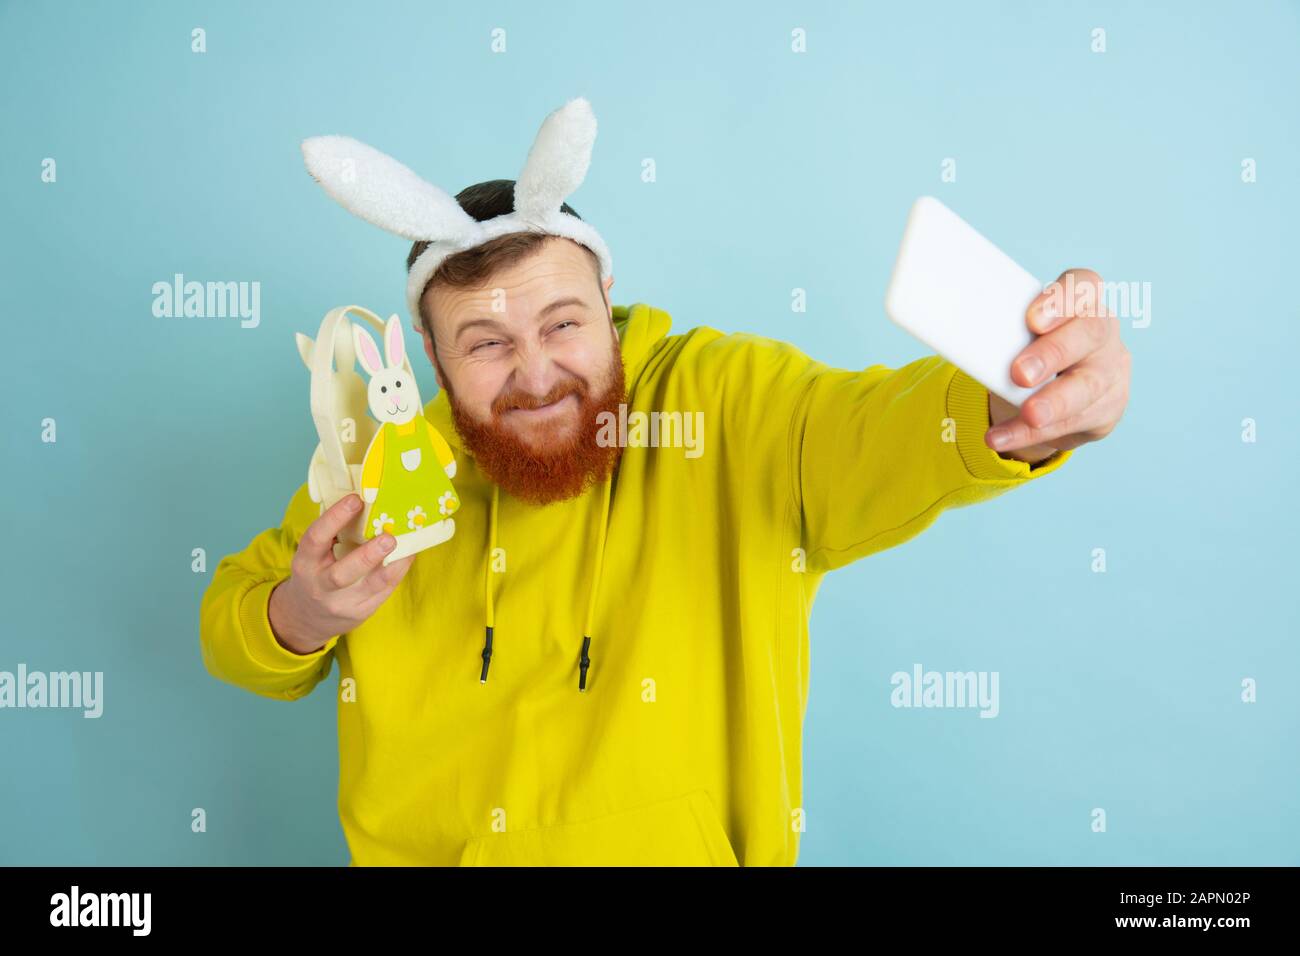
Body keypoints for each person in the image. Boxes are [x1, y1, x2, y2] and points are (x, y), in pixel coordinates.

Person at [199, 100, 1130, 866]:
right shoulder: (391, 461)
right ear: (436, 364)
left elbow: (873, 435)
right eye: (486, 344)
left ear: (608, 306)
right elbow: (235, 624)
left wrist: (1016, 400)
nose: (534, 374)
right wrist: (302, 615)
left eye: (562, 324)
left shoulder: (725, 406)